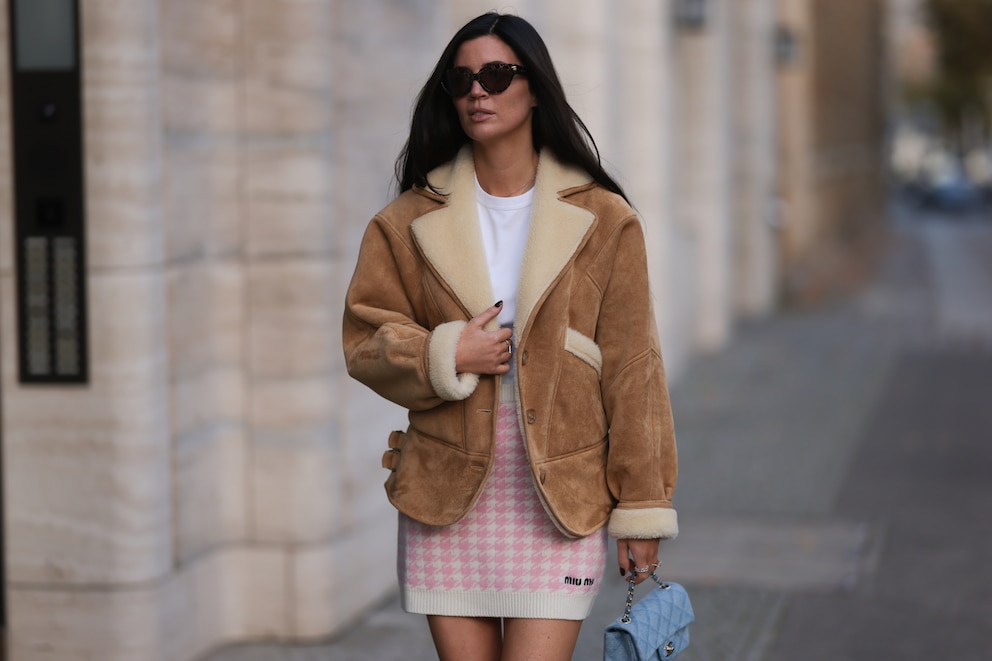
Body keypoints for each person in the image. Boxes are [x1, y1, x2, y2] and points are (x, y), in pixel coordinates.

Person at [343, 12, 678, 661]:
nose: (478, 91)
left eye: (497, 75)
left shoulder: (606, 220)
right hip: (445, 494)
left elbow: (635, 370)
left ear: (534, 88)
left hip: (561, 497)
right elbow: (364, 337)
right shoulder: (406, 220)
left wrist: (641, 504)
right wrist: (446, 353)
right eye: (462, 79)